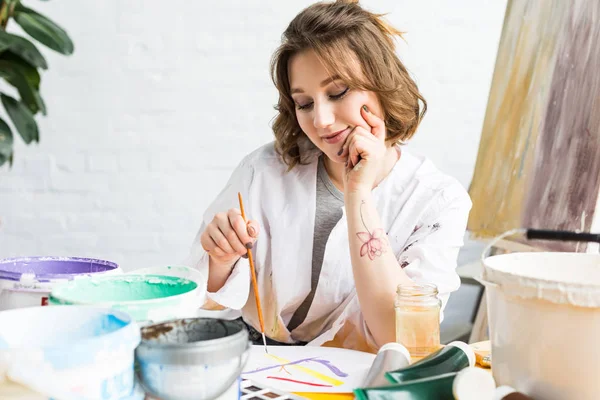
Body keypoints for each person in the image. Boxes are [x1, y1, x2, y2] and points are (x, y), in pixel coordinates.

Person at [184, 0, 472, 353]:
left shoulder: (438, 199)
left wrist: (358, 193)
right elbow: (202, 302)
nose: (320, 120)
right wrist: (220, 260)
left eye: (337, 93)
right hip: (259, 362)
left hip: (358, 374)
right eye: (304, 103)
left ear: (381, 85)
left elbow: (403, 340)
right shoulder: (262, 171)